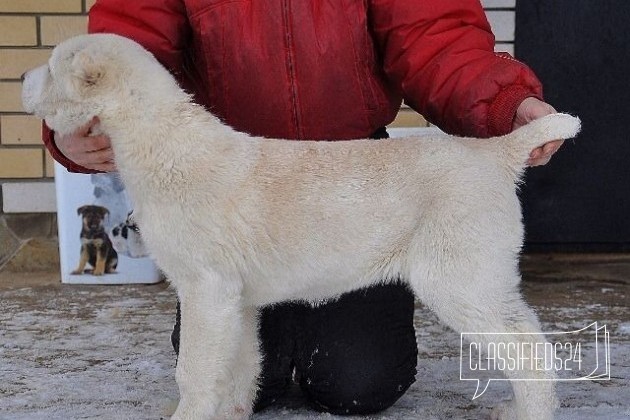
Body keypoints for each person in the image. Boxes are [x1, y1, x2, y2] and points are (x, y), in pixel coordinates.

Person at [43, 0, 562, 415]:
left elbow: (438, 36)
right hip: (229, 172)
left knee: (359, 383)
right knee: (227, 331)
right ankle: (231, 397)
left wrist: (503, 102)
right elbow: (124, 50)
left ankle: (537, 400)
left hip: (359, 190)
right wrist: (72, 130)